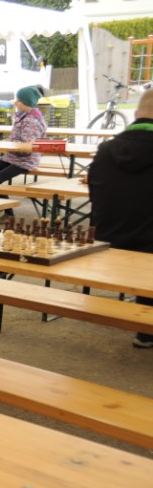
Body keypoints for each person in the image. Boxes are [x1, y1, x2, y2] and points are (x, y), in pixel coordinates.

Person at [86, 88, 153, 349]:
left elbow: (94, 196)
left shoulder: (105, 150)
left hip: (108, 240)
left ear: (135, 115)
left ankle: (145, 327)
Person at [0, 85, 47, 187]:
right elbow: (18, 139)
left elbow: (28, 148)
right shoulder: (23, 116)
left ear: (27, 102)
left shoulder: (32, 121)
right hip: (13, 158)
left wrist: (8, 145)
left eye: (18, 100)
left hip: (25, 161)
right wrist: (8, 143)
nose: (15, 102)